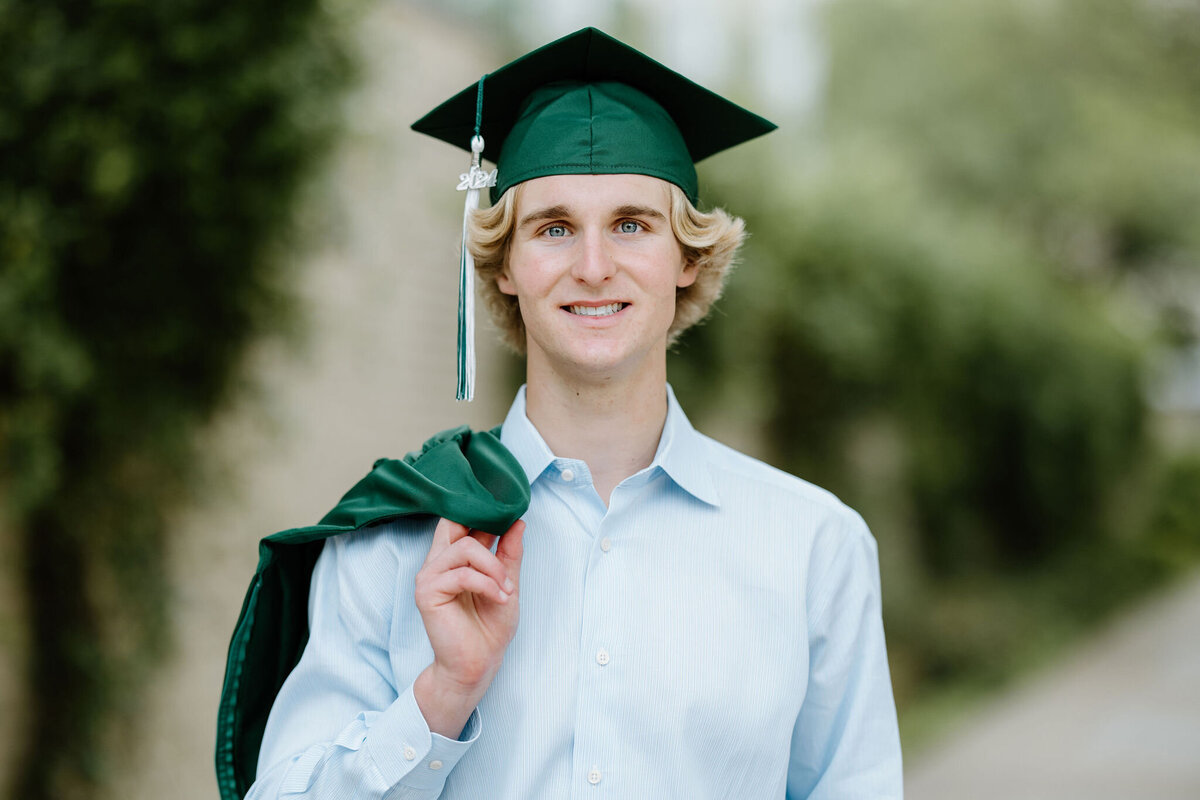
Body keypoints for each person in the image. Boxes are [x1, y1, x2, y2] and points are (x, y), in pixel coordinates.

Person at [244, 27, 902, 799]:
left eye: (631, 224)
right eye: (554, 228)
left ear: (687, 258)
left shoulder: (813, 548)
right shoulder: (395, 545)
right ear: (506, 264)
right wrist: (441, 697)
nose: (594, 267)